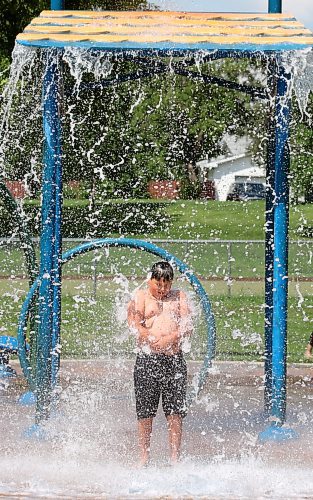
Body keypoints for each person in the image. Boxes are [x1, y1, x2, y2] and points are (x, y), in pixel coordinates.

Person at [127, 261, 192, 466]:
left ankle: (174, 458)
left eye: (167, 284)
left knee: (175, 412)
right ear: (150, 280)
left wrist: (170, 338)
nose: (163, 289)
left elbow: (187, 326)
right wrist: (151, 337)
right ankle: (144, 456)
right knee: (145, 412)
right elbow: (133, 324)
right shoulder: (141, 297)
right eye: (159, 284)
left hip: (173, 360)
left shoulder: (179, 297)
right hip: (147, 359)